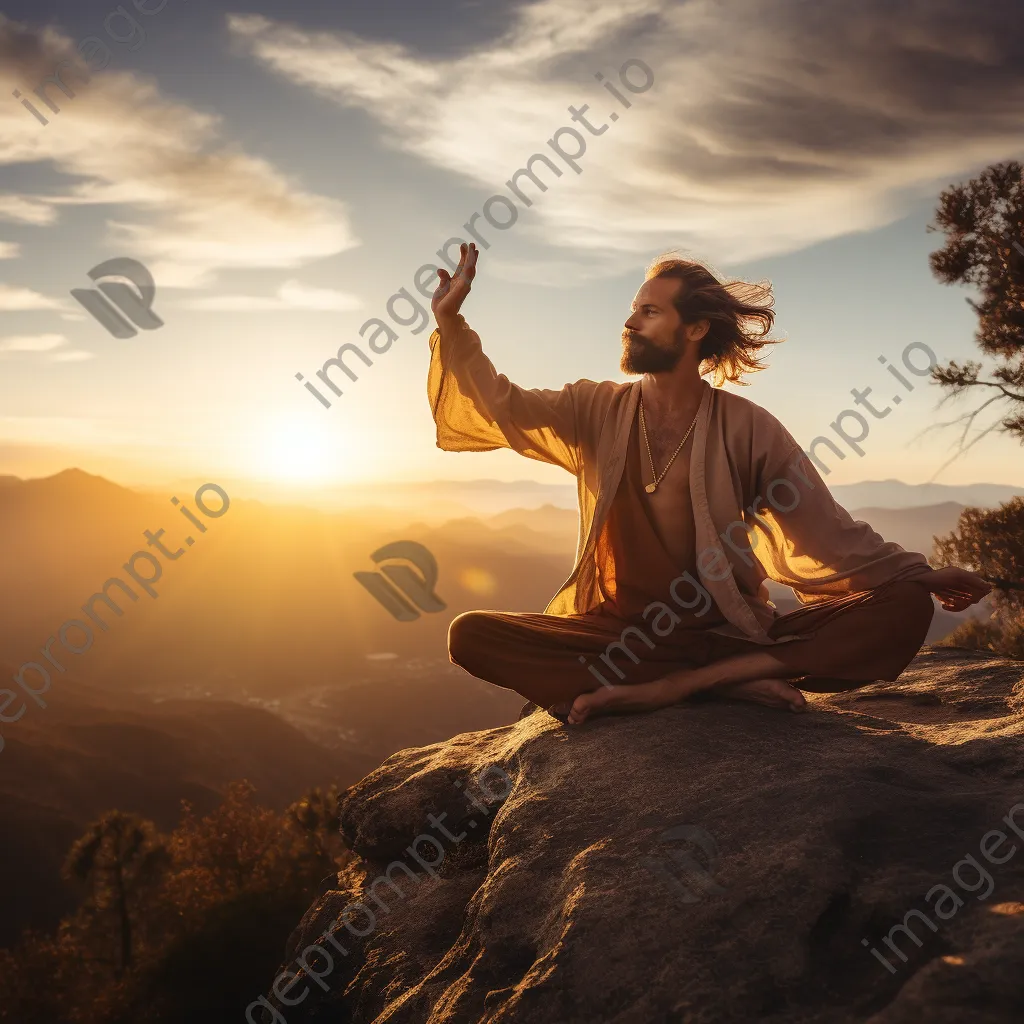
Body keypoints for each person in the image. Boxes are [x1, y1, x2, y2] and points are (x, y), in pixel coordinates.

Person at [427, 242, 992, 726]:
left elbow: (830, 533)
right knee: (470, 635)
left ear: (694, 329)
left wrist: (920, 574)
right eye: (632, 310)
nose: (629, 323)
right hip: (621, 638)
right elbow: (503, 405)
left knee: (906, 608)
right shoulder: (594, 408)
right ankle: (722, 685)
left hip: (729, 634)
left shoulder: (749, 428)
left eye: (649, 311)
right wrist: (451, 323)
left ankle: (681, 686)